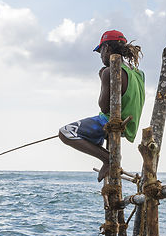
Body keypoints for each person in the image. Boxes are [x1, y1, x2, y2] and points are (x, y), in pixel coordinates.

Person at [59, 29, 145, 180]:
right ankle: (107, 156)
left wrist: (102, 78)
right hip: (129, 124)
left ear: (107, 48)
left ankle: (107, 159)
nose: (100, 56)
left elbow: (103, 107)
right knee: (84, 135)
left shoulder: (109, 71)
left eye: (100, 51)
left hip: (111, 121)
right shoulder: (138, 73)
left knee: (65, 132)